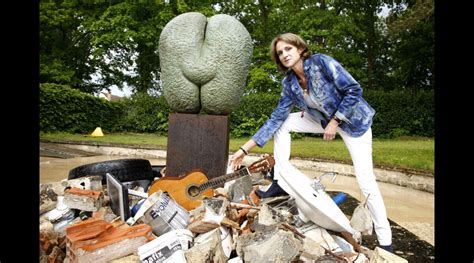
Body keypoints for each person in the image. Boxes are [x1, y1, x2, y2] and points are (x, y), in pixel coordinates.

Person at [229, 32, 392, 251]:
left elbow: (354, 90)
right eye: (280, 53)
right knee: (284, 122)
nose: (285, 55)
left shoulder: (321, 63)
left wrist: (336, 120)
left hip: (354, 122)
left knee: (366, 180)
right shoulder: (289, 84)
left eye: (288, 49)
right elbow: (275, 118)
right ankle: (279, 181)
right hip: (323, 121)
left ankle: (385, 241)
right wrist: (244, 149)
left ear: (299, 48)